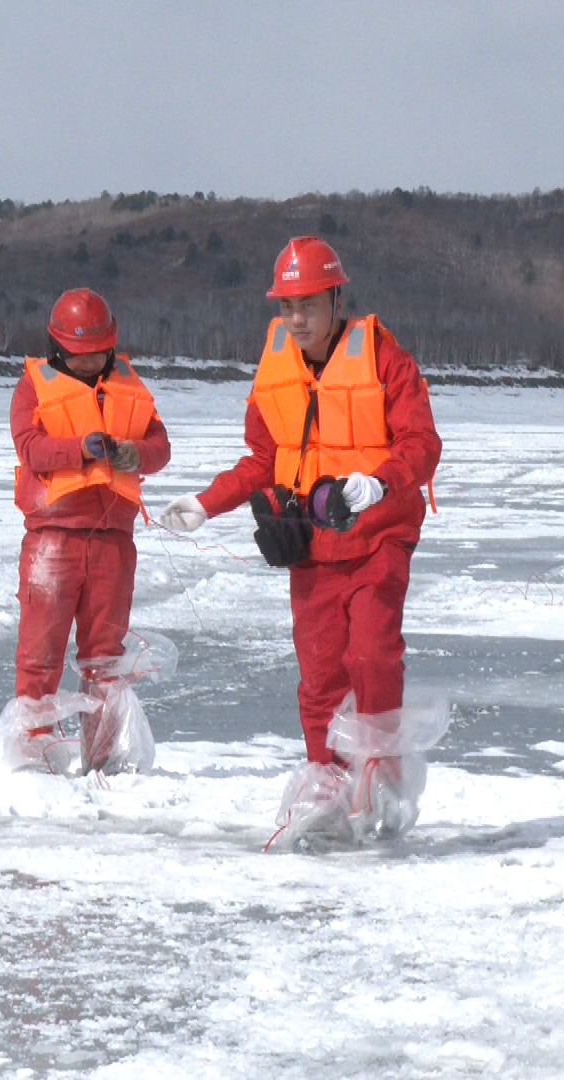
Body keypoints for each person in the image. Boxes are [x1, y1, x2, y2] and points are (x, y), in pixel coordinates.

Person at [160, 237, 443, 849]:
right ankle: (328, 783)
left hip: (378, 537)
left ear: (336, 299)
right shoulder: (276, 369)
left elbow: (422, 447)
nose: (296, 320)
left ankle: (381, 774)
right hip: (311, 547)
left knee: (370, 654)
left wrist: (379, 484)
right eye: (287, 307)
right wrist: (208, 503)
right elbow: (264, 460)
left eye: (309, 305)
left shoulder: (387, 362)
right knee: (319, 674)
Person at [0, 288, 172, 774]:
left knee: (105, 661)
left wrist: (136, 454)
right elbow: (30, 449)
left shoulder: (128, 385)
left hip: (113, 543)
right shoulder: (34, 386)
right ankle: (34, 759)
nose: (91, 361)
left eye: (99, 352)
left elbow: (160, 444)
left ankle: (104, 760)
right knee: (40, 656)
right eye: (80, 354)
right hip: (52, 541)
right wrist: (81, 449)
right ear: (58, 350)